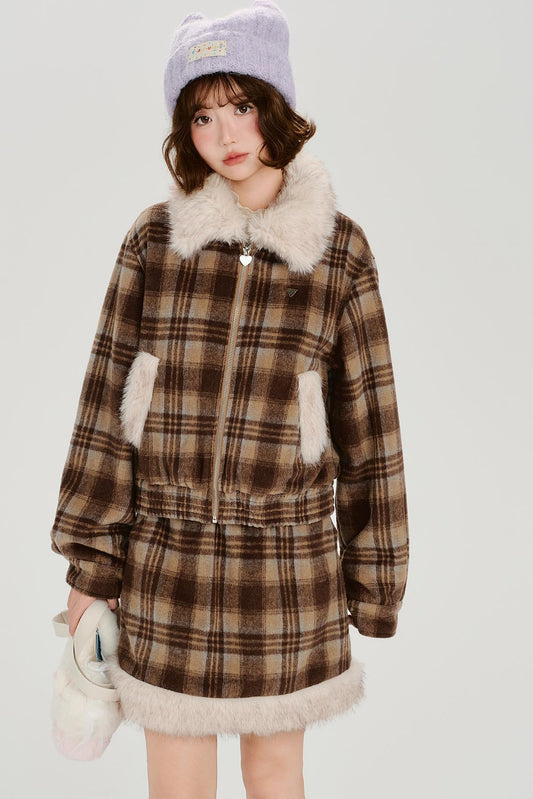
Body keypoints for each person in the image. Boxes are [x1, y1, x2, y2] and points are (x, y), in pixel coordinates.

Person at [50, 1, 410, 797]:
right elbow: (104, 407)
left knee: (275, 771)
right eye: (202, 116)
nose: (226, 134)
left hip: (285, 573)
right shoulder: (155, 241)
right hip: (166, 564)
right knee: (176, 780)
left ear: (275, 105)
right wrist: (90, 565)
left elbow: (371, 428)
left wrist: (375, 582)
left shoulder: (339, 253)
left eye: (241, 105)